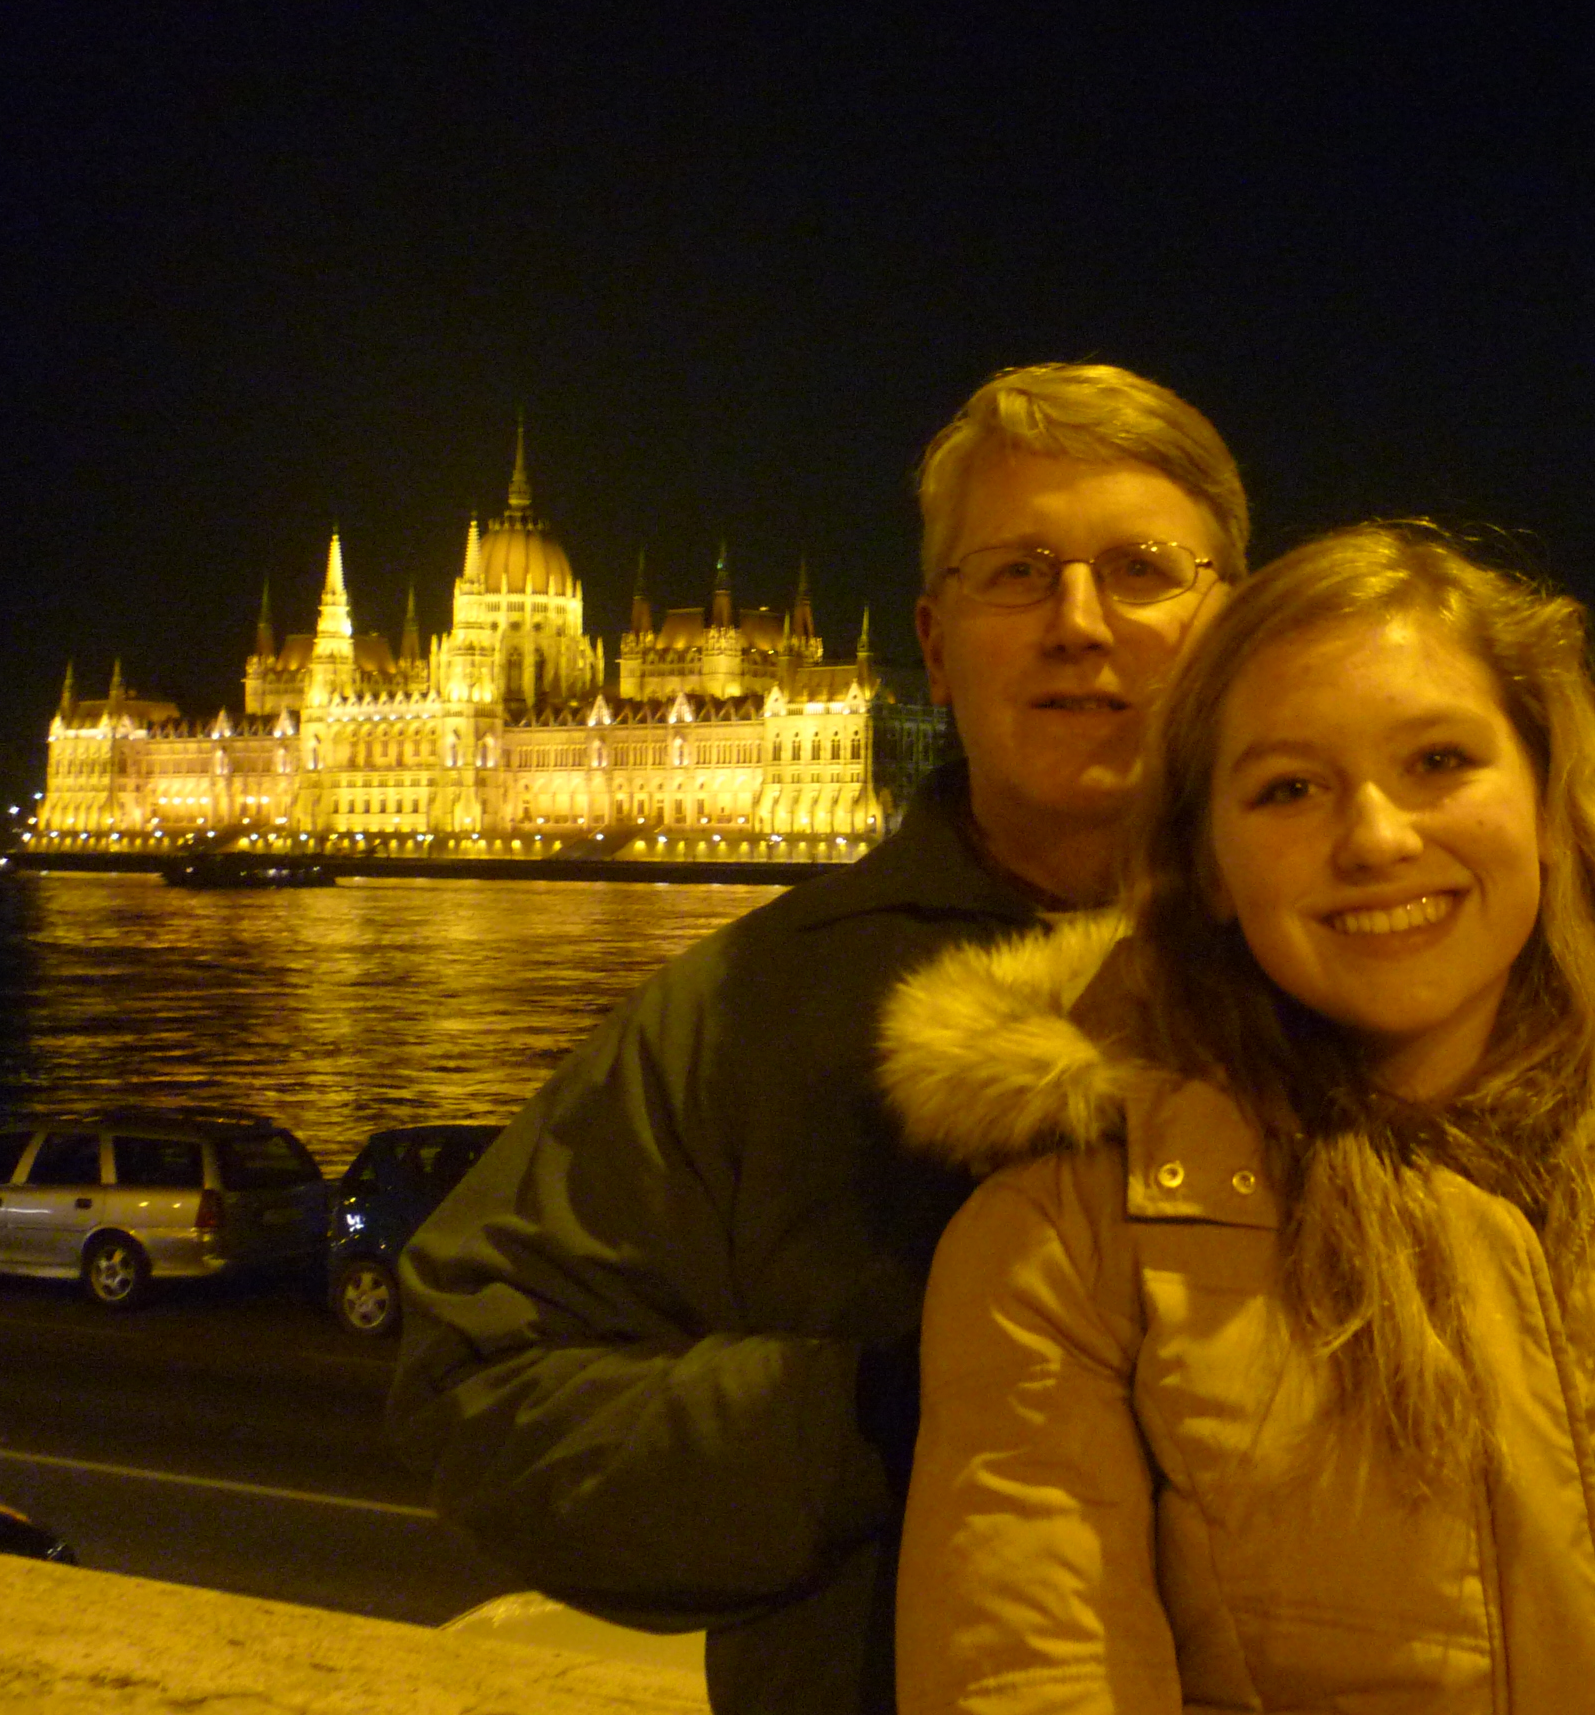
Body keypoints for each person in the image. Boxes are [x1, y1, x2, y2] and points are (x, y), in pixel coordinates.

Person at [879, 524, 1595, 1711]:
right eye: (1289, 788)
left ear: (1547, 803)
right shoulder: (1067, 1241)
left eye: (1437, 761)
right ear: (1208, 864)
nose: (1376, 838)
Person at [387, 362, 1248, 1715]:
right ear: (936, 647)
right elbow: (476, 1396)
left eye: (1141, 571)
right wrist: (885, 1417)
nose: (1079, 623)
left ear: (1235, 627)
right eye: (1017, 574)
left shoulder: (1375, 975)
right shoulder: (745, 1005)